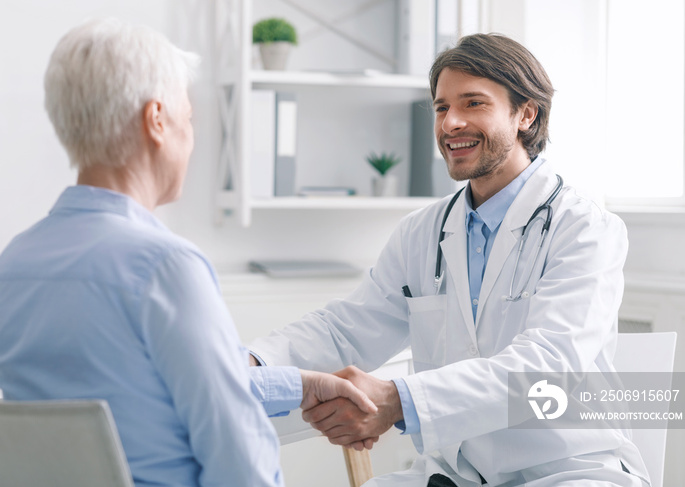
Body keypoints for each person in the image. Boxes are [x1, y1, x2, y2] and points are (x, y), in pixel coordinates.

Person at [249, 34, 649, 487]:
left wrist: (399, 401)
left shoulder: (584, 228)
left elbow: (547, 365)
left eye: (473, 103)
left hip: (566, 472)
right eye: (441, 108)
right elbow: (346, 327)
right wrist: (252, 363)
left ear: (526, 114)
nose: (451, 123)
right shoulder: (423, 231)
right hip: (457, 475)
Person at [0, 18, 376, 487]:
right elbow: (238, 457)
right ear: (156, 120)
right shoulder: (164, 267)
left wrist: (300, 384)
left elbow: (142, 393)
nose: (191, 136)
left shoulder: (14, 263)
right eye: (189, 117)